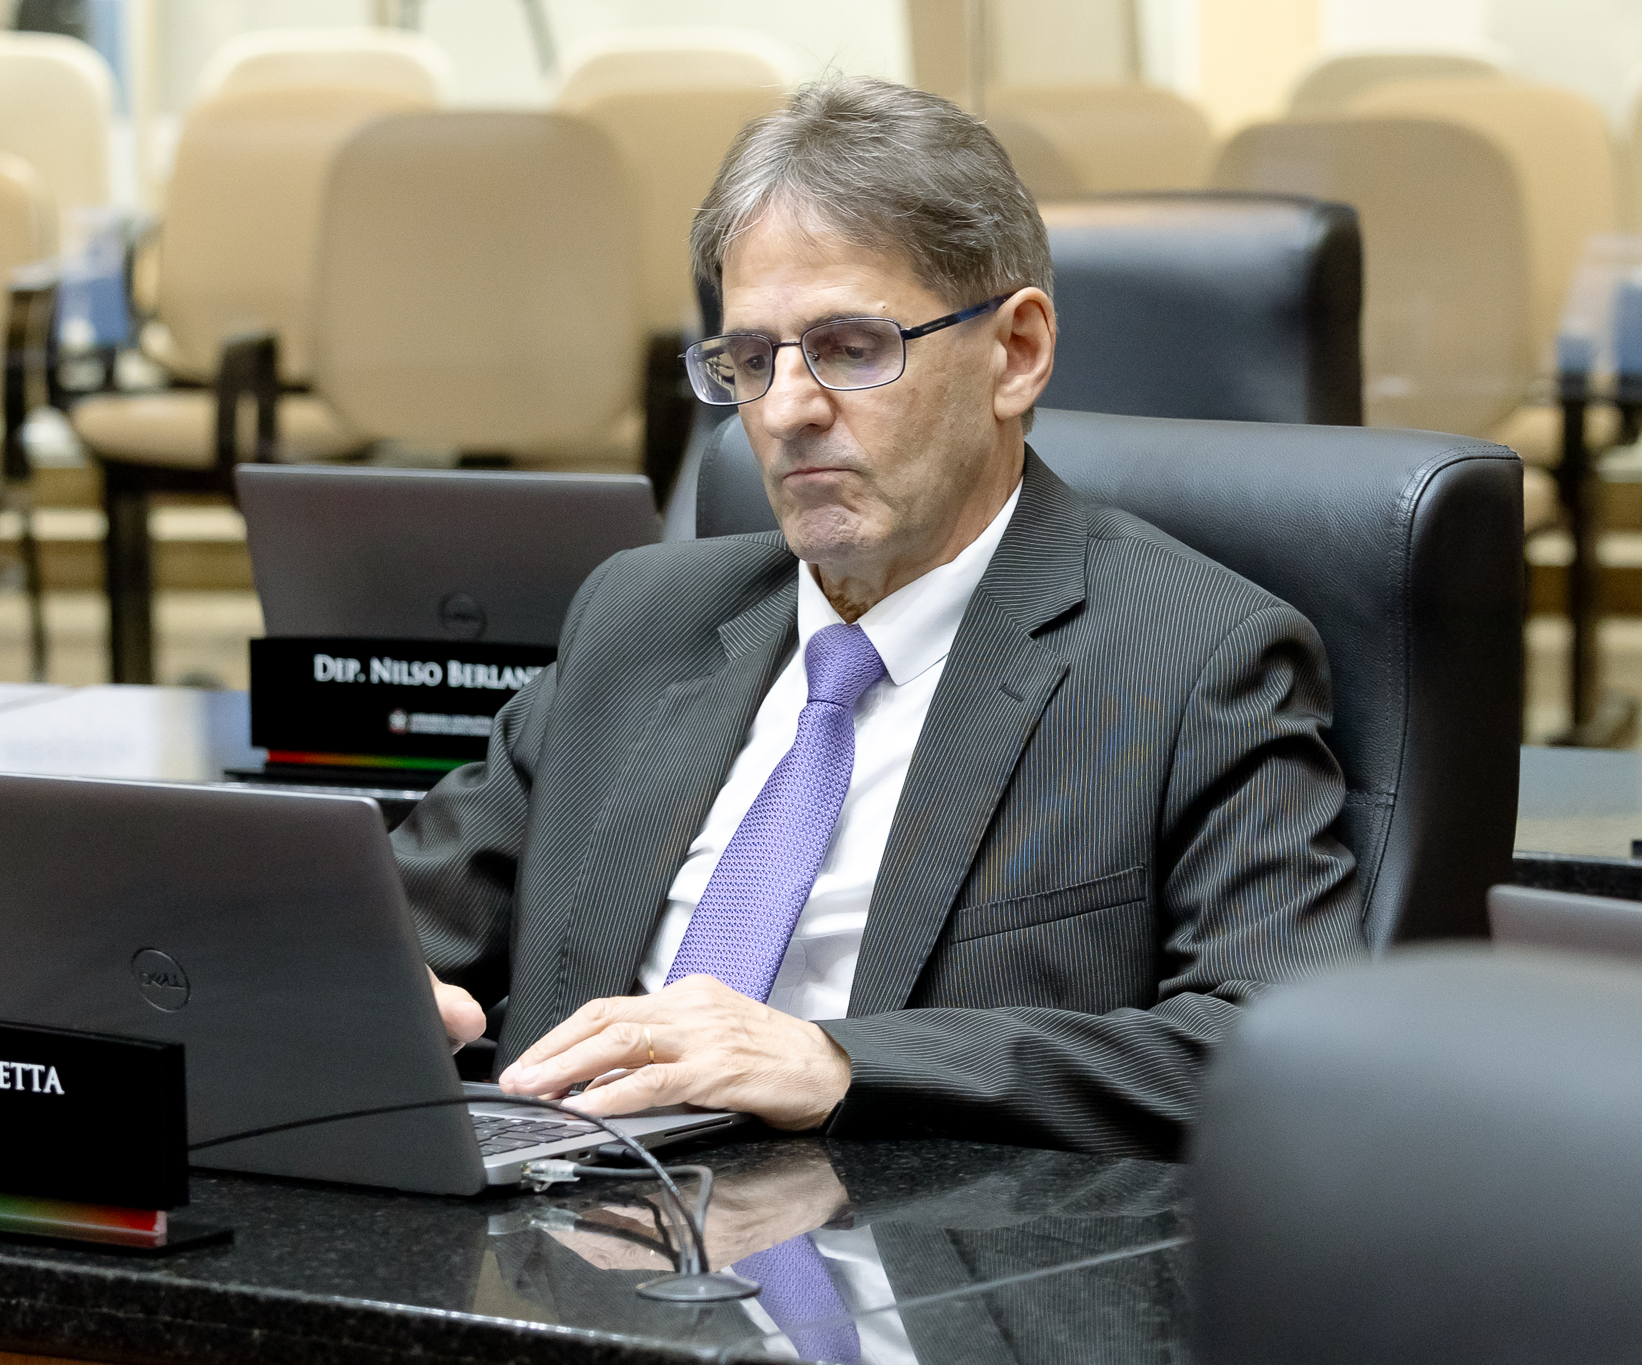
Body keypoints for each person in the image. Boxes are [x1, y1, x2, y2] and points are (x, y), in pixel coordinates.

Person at [395, 75, 1367, 1160]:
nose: (786, 409)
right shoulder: (638, 617)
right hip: (559, 1219)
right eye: (750, 360)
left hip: (904, 1240)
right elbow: (395, 926)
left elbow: (1276, 1049)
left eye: (851, 348)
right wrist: (368, 983)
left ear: (1015, 353)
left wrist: (839, 1062)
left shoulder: (1195, 658)